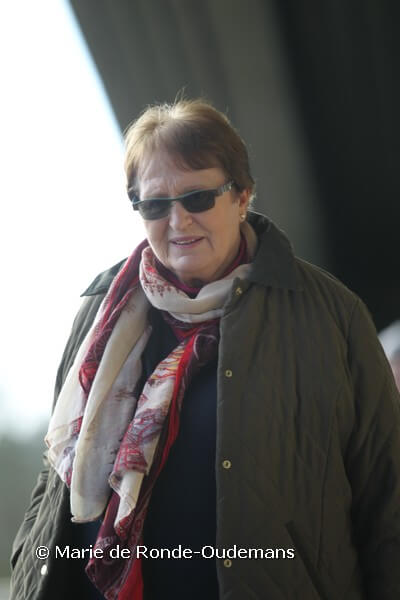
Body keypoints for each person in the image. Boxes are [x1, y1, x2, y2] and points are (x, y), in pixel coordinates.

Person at [10, 98, 400, 600]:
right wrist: (27, 565)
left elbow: (387, 496)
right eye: (155, 204)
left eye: (197, 198)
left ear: (242, 195)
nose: (178, 221)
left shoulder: (331, 316)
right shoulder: (99, 310)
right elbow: (53, 477)